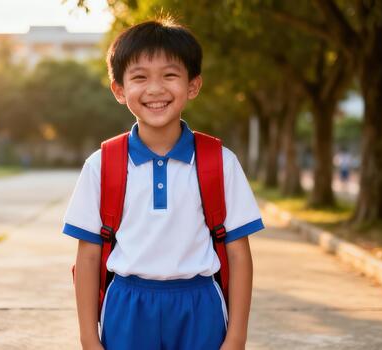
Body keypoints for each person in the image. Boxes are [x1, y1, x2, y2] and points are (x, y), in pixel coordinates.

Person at [62, 19, 264, 350]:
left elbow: (239, 253)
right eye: (140, 77)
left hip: (199, 305)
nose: (155, 89)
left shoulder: (219, 161)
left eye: (170, 75)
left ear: (193, 85)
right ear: (119, 89)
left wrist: (237, 337)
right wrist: (89, 338)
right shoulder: (101, 164)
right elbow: (87, 256)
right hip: (127, 305)